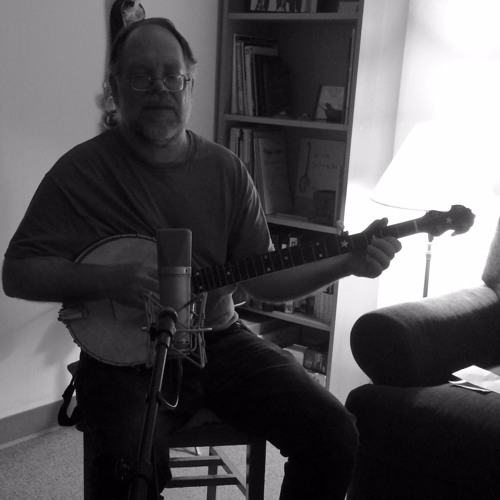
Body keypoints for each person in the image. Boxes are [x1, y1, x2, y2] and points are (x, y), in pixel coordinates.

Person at [2, 18, 402, 500]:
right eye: (141, 76)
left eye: (173, 75)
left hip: (220, 340)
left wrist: (347, 263)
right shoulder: (79, 172)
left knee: (333, 431)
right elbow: (17, 274)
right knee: (126, 466)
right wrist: (110, 280)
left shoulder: (226, 170)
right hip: (125, 361)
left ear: (190, 84)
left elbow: (265, 280)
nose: (160, 88)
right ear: (114, 88)